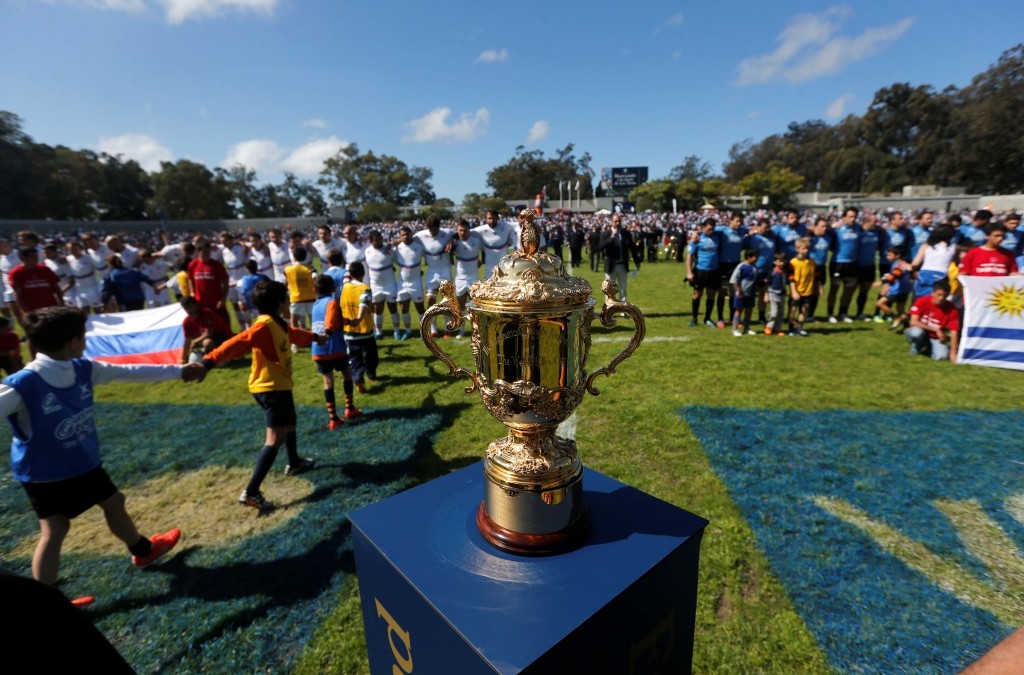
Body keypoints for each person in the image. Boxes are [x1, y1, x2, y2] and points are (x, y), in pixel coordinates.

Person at [2, 307, 201, 604]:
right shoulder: (20, 384)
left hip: (81, 463)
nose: (86, 341)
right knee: (56, 530)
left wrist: (179, 370)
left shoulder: (82, 368)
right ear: (73, 342)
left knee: (110, 503)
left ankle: (143, 551)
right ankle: (47, 600)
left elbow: (129, 372)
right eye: (83, 336)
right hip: (45, 473)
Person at [201, 281, 324, 510]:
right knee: (275, 438)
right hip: (269, 388)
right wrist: (208, 362)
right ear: (280, 304)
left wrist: (316, 338)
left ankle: (294, 462)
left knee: (290, 423)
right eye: (287, 299)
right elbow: (237, 343)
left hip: (279, 385)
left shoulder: (277, 323)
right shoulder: (263, 326)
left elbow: (294, 334)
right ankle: (251, 491)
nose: (289, 302)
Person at [311, 275, 360, 430]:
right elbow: (331, 320)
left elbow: (335, 319)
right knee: (346, 373)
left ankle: (333, 418)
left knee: (327, 381)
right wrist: (327, 333)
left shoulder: (315, 304)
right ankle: (349, 408)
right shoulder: (332, 302)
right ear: (333, 288)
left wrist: (349, 322)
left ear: (314, 290)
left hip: (318, 349)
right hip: (334, 346)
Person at [415, 214, 455, 338]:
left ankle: (448, 329)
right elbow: (407, 238)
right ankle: (433, 330)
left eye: (434, 229)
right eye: (430, 229)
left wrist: (451, 240)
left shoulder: (447, 232)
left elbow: (457, 233)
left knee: (447, 302)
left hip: (445, 270)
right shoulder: (421, 235)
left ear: (438, 226)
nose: (432, 231)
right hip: (431, 271)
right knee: (430, 300)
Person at [341, 262, 378, 394]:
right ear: (364, 274)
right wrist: (358, 319)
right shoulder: (364, 288)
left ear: (350, 275)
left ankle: (358, 378)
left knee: (355, 358)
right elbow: (364, 303)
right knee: (371, 356)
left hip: (349, 332)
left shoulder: (345, 287)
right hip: (365, 330)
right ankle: (371, 374)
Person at [906, 280, 959, 362]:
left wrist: (953, 353)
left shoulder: (952, 309)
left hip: (936, 337)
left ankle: (929, 346)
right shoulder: (922, 300)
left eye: (944, 295)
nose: (941, 298)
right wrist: (936, 329)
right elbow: (913, 322)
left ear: (948, 295)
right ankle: (917, 345)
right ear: (933, 293)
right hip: (921, 331)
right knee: (915, 333)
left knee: (941, 357)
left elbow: (954, 332)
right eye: (939, 295)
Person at [364, 230, 401, 340]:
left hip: (389, 285)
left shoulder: (389, 249)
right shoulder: (367, 251)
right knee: (377, 309)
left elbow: (399, 260)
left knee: (392, 308)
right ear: (370, 241)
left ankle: (397, 331)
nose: (379, 241)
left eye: (380, 239)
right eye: (376, 240)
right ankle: (378, 332)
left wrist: (393, 243)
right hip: (375, 286)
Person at [598, 213, 643, 304]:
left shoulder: (625, 234)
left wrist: (637, 261)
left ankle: (623, 309)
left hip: (622, 265)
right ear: (611, 222)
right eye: (615, 221)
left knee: (623, 289)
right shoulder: (606, 234)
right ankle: (609, 309)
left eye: (619, 221)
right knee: (609, 290)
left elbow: (632, 248)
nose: (617, 223)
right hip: (610, 266)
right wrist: (611, 237)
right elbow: (600, 247)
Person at [8, 246, 63, 318]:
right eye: (32, 257)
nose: (36, 259)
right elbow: (18, 294)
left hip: (51, 307)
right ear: (22, 258)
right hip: (33, 310)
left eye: (36, 256)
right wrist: (25, 310)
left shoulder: (45, 269)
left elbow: (56, 287)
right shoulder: (16, 273)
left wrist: (61, 302)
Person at [686, 217, 721, 327]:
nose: (712, 231)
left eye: (713, 229)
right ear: (703, 228)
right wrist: (689, 272)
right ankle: (694, 318)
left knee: (711, 295)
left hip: (714, 271)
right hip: (700, 271)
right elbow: (689, 256)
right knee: (697, 295)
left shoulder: (717, 236)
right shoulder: (697, 239)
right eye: (709, 229)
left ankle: (707, 318)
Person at [827, 207, 861, 323]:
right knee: (834, 289)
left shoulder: (857, 228)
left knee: (849, 289)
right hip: (837, 263)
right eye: (850, 216)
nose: (853, 219)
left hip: (852, 263)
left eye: (855, 217)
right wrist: (832, 227)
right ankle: (830, 313)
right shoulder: (837, 229)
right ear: (843, 217)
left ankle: (843, 312)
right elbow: (829, 243)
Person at [451, 219, 484, 338]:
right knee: (461, 306)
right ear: (457, 231)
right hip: (459, 279)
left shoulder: (476, 240)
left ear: (469, 230)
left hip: (473, 278)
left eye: (465, 230)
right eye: (460, 230)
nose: (463, 232)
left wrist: (481, 261)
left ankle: (477, 331)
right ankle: (462, 330)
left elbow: (484, 252)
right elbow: (449, 254)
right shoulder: (454, 243)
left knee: (475, 306)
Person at [394, 225, 426, 340]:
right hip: (402, 283)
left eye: (407, 234)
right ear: (400, 236)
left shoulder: (419, 247)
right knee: (403, 308)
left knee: (420, 308)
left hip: (416, 282)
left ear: (411, 234)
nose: (405, 236)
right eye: (403, 235)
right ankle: (408, 331)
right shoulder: (397, 248)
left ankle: (424, 332)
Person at [180, 296, 234, 363]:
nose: (189, 310)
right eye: (186, 308)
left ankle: (220, 358)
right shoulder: (187, 322)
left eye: (190, 307)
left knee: (207, 342)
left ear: (196, 305)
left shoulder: (206, 313)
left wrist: (195, 341)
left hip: (224, 337)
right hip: (211, 339)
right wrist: (183, 358)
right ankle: (214, 357)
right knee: (204, 343)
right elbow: (187, 341)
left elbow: (209, 333)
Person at [188, 241, 230, 323]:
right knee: (206, 325)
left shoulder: (217, 265)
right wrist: (192, 293)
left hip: (216, 302)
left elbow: (225, 282)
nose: (207, 254)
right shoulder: (192, 265)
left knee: (223, 323)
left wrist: (223, 299)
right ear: (198, 252)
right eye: (205, 251)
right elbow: (190, 279)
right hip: (200, 302)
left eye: (209, 251)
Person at [877, 247, 913, 330]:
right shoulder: (902, 264)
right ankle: (907, 325)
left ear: (897, 255)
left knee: (880, 303)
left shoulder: (899, 265)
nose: (887, 257)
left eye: (889, 255)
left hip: (897, 291)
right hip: (904, 290)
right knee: (901, 310)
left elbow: (895, 275)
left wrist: (882, 282)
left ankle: (895, 318)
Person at [284, 247, 316, 337]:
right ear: (305, 257)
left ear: (294, 257)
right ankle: (315, 340)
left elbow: (286, 283)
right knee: (314, 321)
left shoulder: (288, 269)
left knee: (294, 322)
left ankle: (296, 344)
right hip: (311, 298)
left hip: (296, 299)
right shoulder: (311, 268)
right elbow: (315, 279)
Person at [788, 237, 815, 337]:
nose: (806, 250)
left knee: (805, 309)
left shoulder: (811, 262)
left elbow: (814, 276)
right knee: (793, 310)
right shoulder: (793, 262)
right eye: (803, 248)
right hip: (797, 291)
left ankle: (800, 328)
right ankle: (791, 329)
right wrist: (794, 291)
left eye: (807, 248)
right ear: (797, 249)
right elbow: (790, 278)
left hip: (807, 291)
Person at [729, 249, 758, 337]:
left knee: (749, 310)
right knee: (739, 311)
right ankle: (735, 329)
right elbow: (733, 280)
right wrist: (738, 291)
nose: (757, 259)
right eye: (755, 257)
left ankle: (746, 328)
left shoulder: (754, 267)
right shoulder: (741, 267)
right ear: (749, 257)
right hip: (741, 293)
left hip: (751, 293)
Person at [239, 259, 271, 327]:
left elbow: (243, 291)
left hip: (252, 306)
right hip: (264, 305)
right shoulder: (263, 277)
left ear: (247, 269)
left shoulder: (244, 279)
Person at [764, 253, 788, 336]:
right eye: (780, 261)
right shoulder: (772, 272)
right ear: (775, 262)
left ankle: (778, 329)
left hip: (782, 294)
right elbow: (767, 284)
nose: (782, 263)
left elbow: (785, 283)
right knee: (774, 312)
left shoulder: (784, 272)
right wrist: (766, 294)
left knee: (781, 313)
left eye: (783, 261)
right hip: (773, 293)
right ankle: (768, 326)